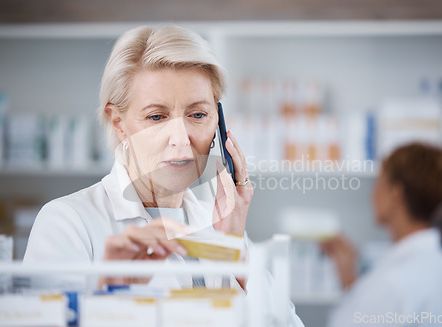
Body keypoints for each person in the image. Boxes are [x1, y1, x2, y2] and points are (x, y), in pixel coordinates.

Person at [24, 25, 303, 326]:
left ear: (218, 123)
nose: (181, 140)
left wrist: (237, 250)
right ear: (118, 123)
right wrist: (108, 298)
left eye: (198, 115)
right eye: (157, 117)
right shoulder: (67, 223)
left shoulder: (221, 225)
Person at [323, 142, 442, 326]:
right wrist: (350, 278)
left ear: (395, 193)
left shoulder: (394, 282)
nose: (372, 194)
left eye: (378, 184)